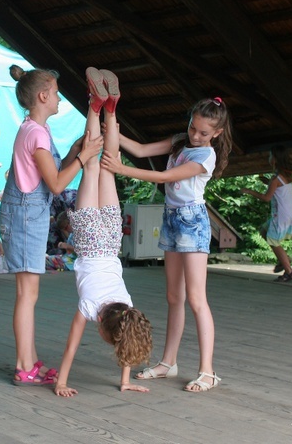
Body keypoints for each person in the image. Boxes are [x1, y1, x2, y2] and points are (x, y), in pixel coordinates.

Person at [101, 96, 232, 393]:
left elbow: (164, 176)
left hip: (192, 222)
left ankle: (207, 371)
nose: (195, 135)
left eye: (203, 133)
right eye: (193, 127)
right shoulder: (179, 141)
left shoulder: (205, 157)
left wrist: (121, 170)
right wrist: (111, 128)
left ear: (217, 134)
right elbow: (141, 149)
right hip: (172, 218)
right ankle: (168, 363)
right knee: (174, 296)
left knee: (197, 299)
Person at [0, 64, 103, 386]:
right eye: (56, 93)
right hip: (26, 215)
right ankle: (23, 365)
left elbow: (50, 172)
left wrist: (75, 152)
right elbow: (57, 184)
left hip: (24, 213)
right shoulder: (37, 133)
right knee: (26, 295)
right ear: (43, 96)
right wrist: (83, 157)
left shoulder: (31, 128)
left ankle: (28, 361)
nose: (59, 98)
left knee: (28, 293)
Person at [55, 67, 152, 397]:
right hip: (87, 237)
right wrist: (62, 383)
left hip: (111, 237)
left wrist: (127, 380)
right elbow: (70, 350)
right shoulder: (90, 307)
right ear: (104, 328)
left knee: (109, 160)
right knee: (92, 163)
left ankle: (111, 108)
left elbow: (128, 333)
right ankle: (94, 106)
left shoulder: (127, 305)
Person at [241, 145, 292, 282]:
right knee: (264, 231)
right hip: (289, 213)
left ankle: (289, 271)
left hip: (281, 215)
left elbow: (266, 198)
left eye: (270, 156)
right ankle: (284, 260)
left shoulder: (275, 179)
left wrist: (249, 191)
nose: (269, 158)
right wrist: (266, 181)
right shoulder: (285, 175)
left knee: (273, 241)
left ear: (275, 159)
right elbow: (279, 188)